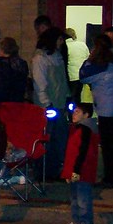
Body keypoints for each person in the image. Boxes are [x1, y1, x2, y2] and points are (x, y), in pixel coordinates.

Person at [79, 34, 113, 188]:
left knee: (107, 144)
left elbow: (83, 75)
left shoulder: (98, 65)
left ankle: (110, 178)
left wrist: (89, 59)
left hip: (106, 108)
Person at [31, 27, 69, 180]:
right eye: (60, 39)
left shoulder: (57, 56)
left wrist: (68, 98)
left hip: (59, 104)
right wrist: (46, 104)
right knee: (47, 139)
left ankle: (56, 169)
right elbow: (40, 83)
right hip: (48, 107)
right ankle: (44, 171)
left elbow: (62, 80)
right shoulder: (40, 59)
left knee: (59, 138)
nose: (62, 43)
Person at [61, 102, 100, 224]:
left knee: (83, 198)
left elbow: (83, 151)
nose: (74, 114)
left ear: (86, 115)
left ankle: (86, 222)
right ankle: (77, 220)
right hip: (75, 169)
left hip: (82, 170)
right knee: (75, 198)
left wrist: (76, 170)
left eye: (78, 112)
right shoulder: (77, 129)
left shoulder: (86, 130)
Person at [0, 36, 28, 105]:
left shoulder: (0, 65)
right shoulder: (21, 63)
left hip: (3, 103)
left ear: (1, 49)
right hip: (18, 101)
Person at [64, 28, 90, 105]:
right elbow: (88, 58)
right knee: (79, 98)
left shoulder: (65, 46)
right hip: (83, 76)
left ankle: (71, 115)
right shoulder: (82, 45)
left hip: (71, 76)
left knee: (71, 99)